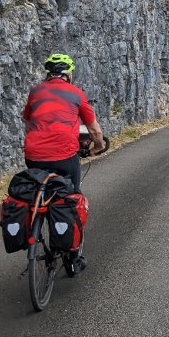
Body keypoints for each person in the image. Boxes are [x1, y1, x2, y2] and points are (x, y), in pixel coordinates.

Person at [22, 53, 104, 273]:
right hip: (64, 155)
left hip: (33, 154)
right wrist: (97, 147)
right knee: (71, 196)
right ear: (69, 74)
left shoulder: (36, 91)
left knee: (40, 190)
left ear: (49, 73)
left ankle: (37, 220)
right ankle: (73, 258)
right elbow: (95, 130)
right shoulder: (76, 93)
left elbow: (28, 119)